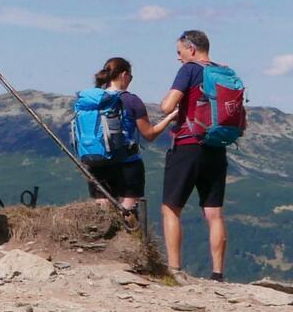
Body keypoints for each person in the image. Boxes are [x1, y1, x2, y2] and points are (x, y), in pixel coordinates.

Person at [159, 31, 240, 281]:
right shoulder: (224, 71)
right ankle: (218, 273)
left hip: (188, 144)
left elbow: (167, 105)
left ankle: (174, 269)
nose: (178, 58)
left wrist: (170, 113)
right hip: (216, 146)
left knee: (171, 208)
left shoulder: (190, 70)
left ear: (191, 49)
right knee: (214, 213)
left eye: (179, 51)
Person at [78, 56, 163, 217]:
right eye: (130, 76)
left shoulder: (92, 101)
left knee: (103, 217)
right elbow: (149, 134)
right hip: (127, 165)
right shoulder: (131, 100)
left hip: (96, 163)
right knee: (128, 216)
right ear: (124, 75)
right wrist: (171, 118)